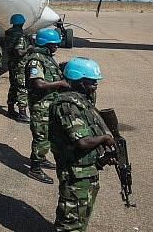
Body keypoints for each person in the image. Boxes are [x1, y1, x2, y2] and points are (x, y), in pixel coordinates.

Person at [49, 57, 116, 231]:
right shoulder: (66, 105)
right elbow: (82, 142)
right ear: (78, 80)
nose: (95, 84)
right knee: (70, 223)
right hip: (74, 173)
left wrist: (104, 156)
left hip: (86, 170)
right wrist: (105, 139)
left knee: (81, 218)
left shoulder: (82, 100)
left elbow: (90, 132)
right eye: (91, 81)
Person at [25, 28, 70, 184]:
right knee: (41, 136)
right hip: (40, 105)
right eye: (54, 44)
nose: (56, 47)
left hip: (48, 103)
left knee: (48, 134)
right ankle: (35, 169)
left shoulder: (46, 57)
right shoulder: (36, 60)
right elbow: (38, 83)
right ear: (45, 44)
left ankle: (41, 158)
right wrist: (61, 83)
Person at [4, 13, 32, 123]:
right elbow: (20, 52)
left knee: (13, 86)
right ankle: (22, 114)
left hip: (11, 63)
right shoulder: (20, 36)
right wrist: (29, 48)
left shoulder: (8, 33)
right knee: (22, 88)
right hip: (20, 65)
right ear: (22, 23)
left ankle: (10, 109)